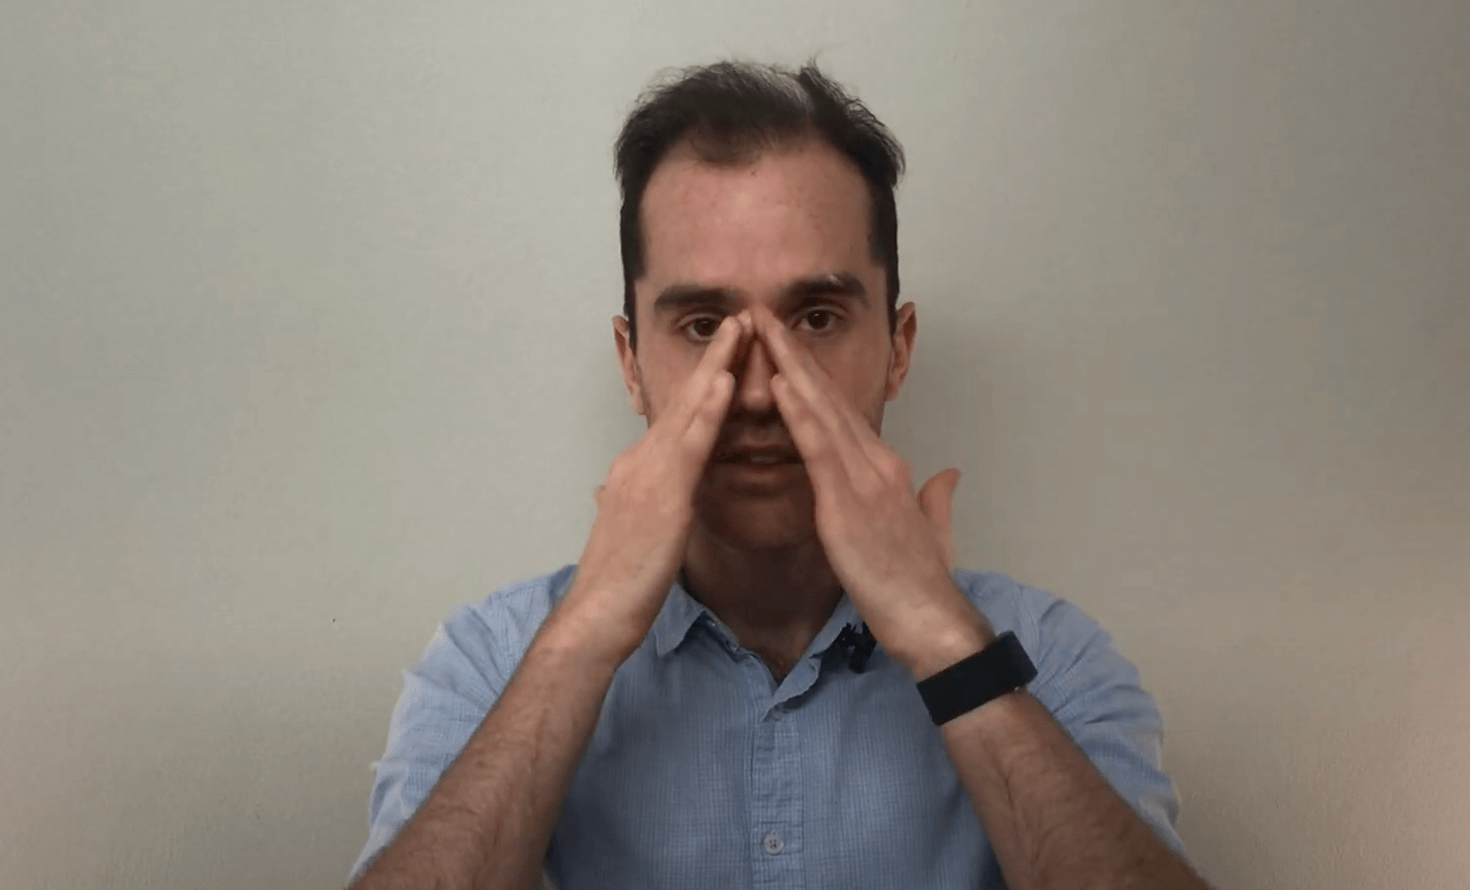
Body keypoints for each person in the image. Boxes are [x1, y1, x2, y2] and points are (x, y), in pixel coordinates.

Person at [347, 60, 1211, 890]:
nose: (760, 388)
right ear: (632, 362)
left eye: (818, 316)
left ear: (897, 351)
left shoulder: (1050, 658)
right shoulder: (492, 657)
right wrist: (588, 633)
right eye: (700, 325)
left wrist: (941, 637)